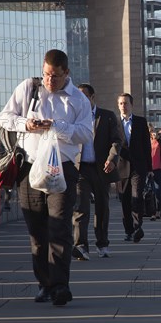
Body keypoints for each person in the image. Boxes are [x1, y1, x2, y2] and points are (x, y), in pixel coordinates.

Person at [0, 49, 93, 305]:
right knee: (37, 232)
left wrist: (56, 127)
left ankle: (61, 286)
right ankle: (44, 283)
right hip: (29, 168)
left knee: (59, 227)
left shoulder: (78, 100)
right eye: (47, 74)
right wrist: (26, 125)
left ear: (67, 73)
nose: (50, 81)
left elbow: (86, 133)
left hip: (62, 169)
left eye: (56, 76)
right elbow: (5, 117)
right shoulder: (29, 88)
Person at [71, 84, 122, 260]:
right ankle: (80, 246)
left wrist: (112, 159)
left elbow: (116, 141)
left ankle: (102, 244)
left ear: (93, 98)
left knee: (102, 208)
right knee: (80, 208)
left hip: (102, 168)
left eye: (84, 96)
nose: (80, 100)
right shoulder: (73, 117)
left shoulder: (106, 116)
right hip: (81, 169)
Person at [116, 93, 151, 243]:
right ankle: (128, 230)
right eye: (121, 103)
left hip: (138, 167)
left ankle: (138, 227)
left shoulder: (141, 122)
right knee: (125, 201)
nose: (123, 106)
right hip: (121, 167)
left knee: (136, 197)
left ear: (132, 105)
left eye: (126, 103)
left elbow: (146, 145)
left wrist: (149, 168)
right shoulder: (115, 123)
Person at [149, 125, 161, 220]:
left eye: (152, 131)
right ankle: (153, 212)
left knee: (158, 191)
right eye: (150, 131)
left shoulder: (159, 142)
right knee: (151, 192)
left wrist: (159, 137)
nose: (152, 133)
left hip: (160, 169)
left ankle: (158, 210)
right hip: (149, 170)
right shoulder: (147, 142)